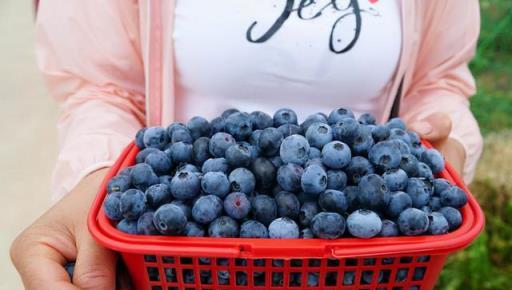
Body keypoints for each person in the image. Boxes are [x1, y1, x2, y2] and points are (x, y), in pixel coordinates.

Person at [11, 1, 482, 289]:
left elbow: (439, 80)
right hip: (187, 263)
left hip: (365, 263)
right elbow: (101, 87)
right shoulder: (211, 190)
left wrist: (444, 139)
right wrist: (99, 172)